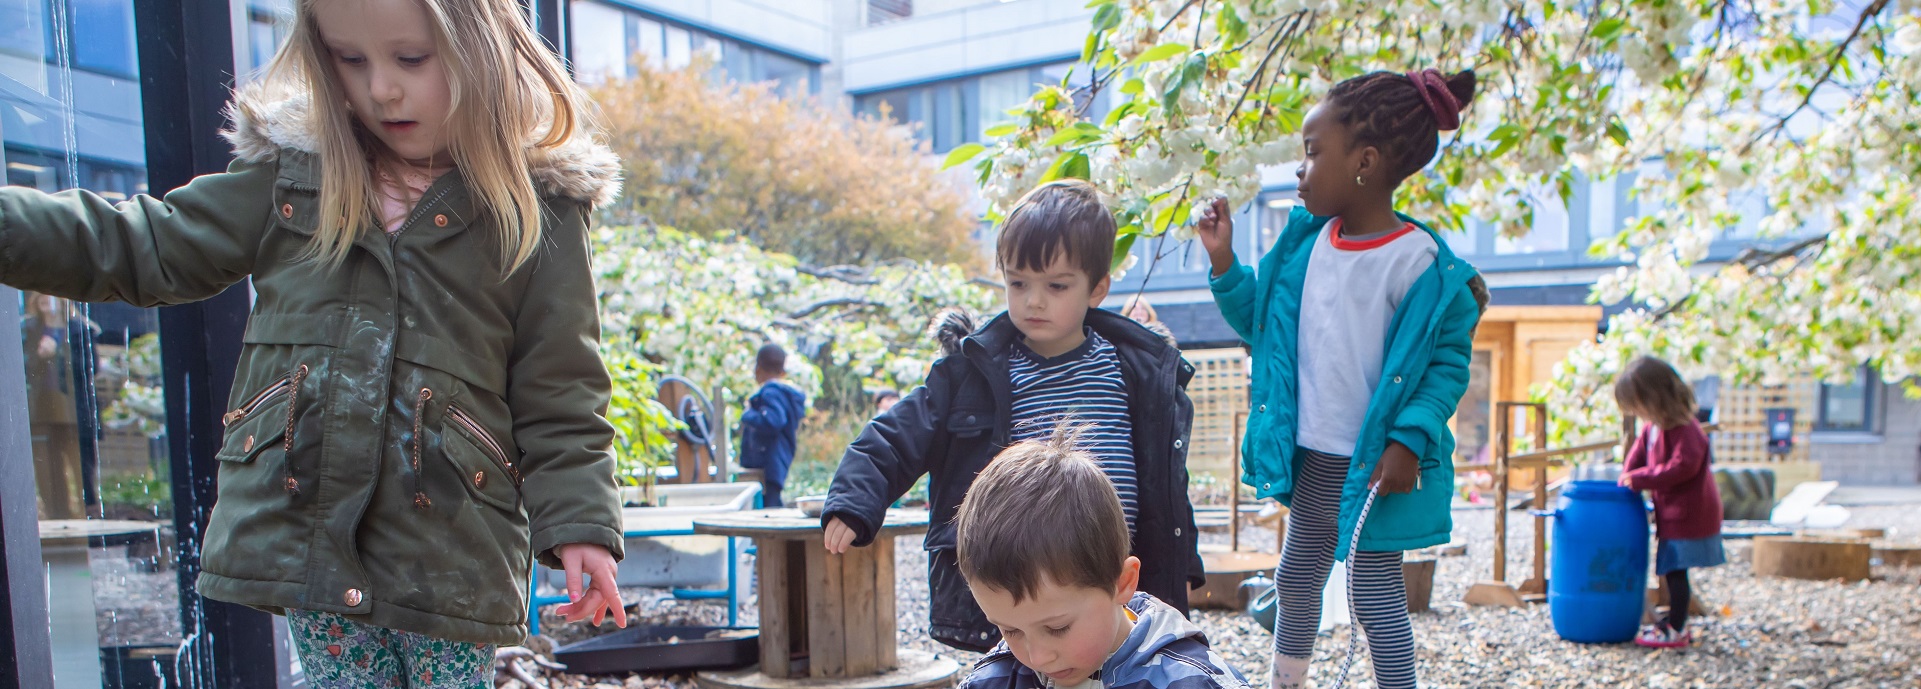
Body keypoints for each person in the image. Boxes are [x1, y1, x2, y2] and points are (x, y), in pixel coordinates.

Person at [0, 0, 629, 683]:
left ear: (486, 51)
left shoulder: (536, 211)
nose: (380, 87)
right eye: (349, 60)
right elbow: (142, 244)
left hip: (449, 543)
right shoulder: (296, 179)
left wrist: (582, 526)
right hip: (310, 525)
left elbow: (560, 389)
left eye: (410, 59)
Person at [1196, 69, 1489, 689]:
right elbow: (1264, 328)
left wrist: (1408, 440)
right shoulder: (1305, 246)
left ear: (1366, 161)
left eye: (1311, 152)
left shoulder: (1421, 265)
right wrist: (1224, 261)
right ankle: (1288, 680)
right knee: (1296, 575)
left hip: (1373, 465)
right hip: (1311, 458)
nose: (1300, 170)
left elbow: (1444, 369)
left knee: (1372, 587)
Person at [822, 179, 1203, 652]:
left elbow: (1166, 478)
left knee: (1123, 669)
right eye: (1018, 283)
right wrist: (854, 501)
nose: (1033, 300)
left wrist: (1182, 563)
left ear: (1097, 288)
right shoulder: (974, 373)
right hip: (1022, 573)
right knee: (1031, 664)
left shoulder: (1133, 370)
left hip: (1112, 569)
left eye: (1056, 285)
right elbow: (896, 435)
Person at [955, 427, 1251, 689]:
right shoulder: (994, 680)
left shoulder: (1191, 681)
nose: (1037, 656)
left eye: (1058, 628)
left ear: (1122, 582)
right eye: (1010, 630)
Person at [1615, 356, 1725, 649]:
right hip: (1673, 513)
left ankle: (1677, 627)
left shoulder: (1686, 429)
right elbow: (1636, 455)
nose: (1638, 414)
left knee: (1676, 570)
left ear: (1655, 398)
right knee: (1670, 568)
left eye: (1639, 406)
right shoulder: (1653, 428)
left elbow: (1682, 467)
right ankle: (1675, 622)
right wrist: (1628, 475)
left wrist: (1640, 478)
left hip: (1689, 514)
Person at [739, 343, 806, 508]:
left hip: (769, 463)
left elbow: (775, 420)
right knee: (771, 502)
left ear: (757, 369)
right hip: (777, 461)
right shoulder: (783, 394)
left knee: (769, 507)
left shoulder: (770, 391)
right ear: (783, 372)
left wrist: (748, 414)